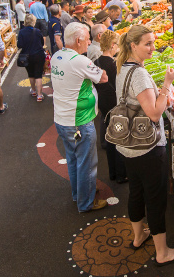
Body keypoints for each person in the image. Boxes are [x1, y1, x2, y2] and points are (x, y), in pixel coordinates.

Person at [115, 25, 174, 266]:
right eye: (147, 44)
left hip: (127, 144)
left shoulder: (123, 69)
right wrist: (166, 84)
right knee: (155, 198)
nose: (153, 48)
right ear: (133, 45)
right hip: (147, 147)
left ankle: (138, 236)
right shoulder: (139, 74)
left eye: (153, 43)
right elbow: (155, 114)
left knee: (136, 191)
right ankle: (163, 252)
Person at [51, 23, 109, 213]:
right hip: (79, 122)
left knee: (73, 158)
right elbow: (103, 78)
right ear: (78, 41)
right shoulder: (79, 61)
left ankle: (79, 193)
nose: (90, 42)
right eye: (87, 39)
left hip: (62, 119)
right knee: (87, 163)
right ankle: (86, 202)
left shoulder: (57, 56)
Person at [93, 30, 127, 183]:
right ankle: (121, 174)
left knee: (110, 139)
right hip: (116, 106)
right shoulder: (115, 65)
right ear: (113, 45)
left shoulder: (96, 62)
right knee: (120, 139)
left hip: (104, 105)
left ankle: (112, 172)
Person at [18, 14, 46, 101]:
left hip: (27, 56)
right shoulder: (37, 31)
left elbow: (20, 45)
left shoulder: (21, 32)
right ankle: (40, 95)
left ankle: (33, 91)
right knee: (38, 75)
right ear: (33, 21)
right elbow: (41, 43)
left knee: (31, 74)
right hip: (38, 55)